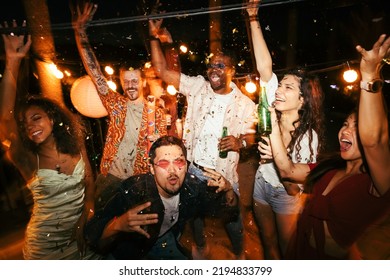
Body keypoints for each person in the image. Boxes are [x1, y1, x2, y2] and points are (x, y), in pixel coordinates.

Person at [149, 15, 275, 259]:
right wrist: (154, 37)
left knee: (233, 218)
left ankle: (239, 254)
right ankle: (200, 248)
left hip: (223, 174)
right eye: (211, 65)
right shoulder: (198, 86)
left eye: (220, 66)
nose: (213, 70)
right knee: (195, 215)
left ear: (232, 70)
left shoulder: (245, 105)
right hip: (194, 169)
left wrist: (241, 142)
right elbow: (161, 71)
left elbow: (255, 138)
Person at [266, 34, 390, 259]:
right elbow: (287, 170)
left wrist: (370, 74)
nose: (345, 131)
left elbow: (373, 140)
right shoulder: (331, 167)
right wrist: (271, 121)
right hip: (299, 253)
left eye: (357, 128)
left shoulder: (379, 182)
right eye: (345, 124)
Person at [0, 21, 100, 259]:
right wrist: (13, 61)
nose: (31, 126)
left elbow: (89, 183)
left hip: (82, 238)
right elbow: (5, 118)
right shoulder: (26, 158)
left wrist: (86, 215)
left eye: (37, 118)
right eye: (25, 123)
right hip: (45, 248)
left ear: (52, 119)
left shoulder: (76, 144)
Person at [247, 0, 325, 259]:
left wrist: (278, 158)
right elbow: (264, 67)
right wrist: (253, 18)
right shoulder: (272, 107)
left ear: (303, 100)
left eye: (288, 88)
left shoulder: (307, 137)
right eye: (280, 87)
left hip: (284, 194)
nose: (279, 91)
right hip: (261, 183)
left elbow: (295, 184)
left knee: (288, 249)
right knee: (268, 242)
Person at [71, 2, 167, 210]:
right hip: (110, 178)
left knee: (137, 233)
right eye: (126, 81)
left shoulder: (156, 113)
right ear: (122, 82)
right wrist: (80, 33)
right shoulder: (115, 104)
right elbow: (95, 72)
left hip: (139, 181)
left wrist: (156, 142)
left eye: (135, 80)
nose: (130, 85)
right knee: (103, 229)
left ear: (142, 82)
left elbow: (162, 151)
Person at [84, 135, 238, 260]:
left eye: (179, 162)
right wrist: (117, 225)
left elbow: (228, 212)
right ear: (151, 168)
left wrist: (229, 190)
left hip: (164, 242)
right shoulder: (134, 191)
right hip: (130, 254)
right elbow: (93, 238)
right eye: (163, 163)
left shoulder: (192, 186)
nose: (172, 170)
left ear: (186, 165)